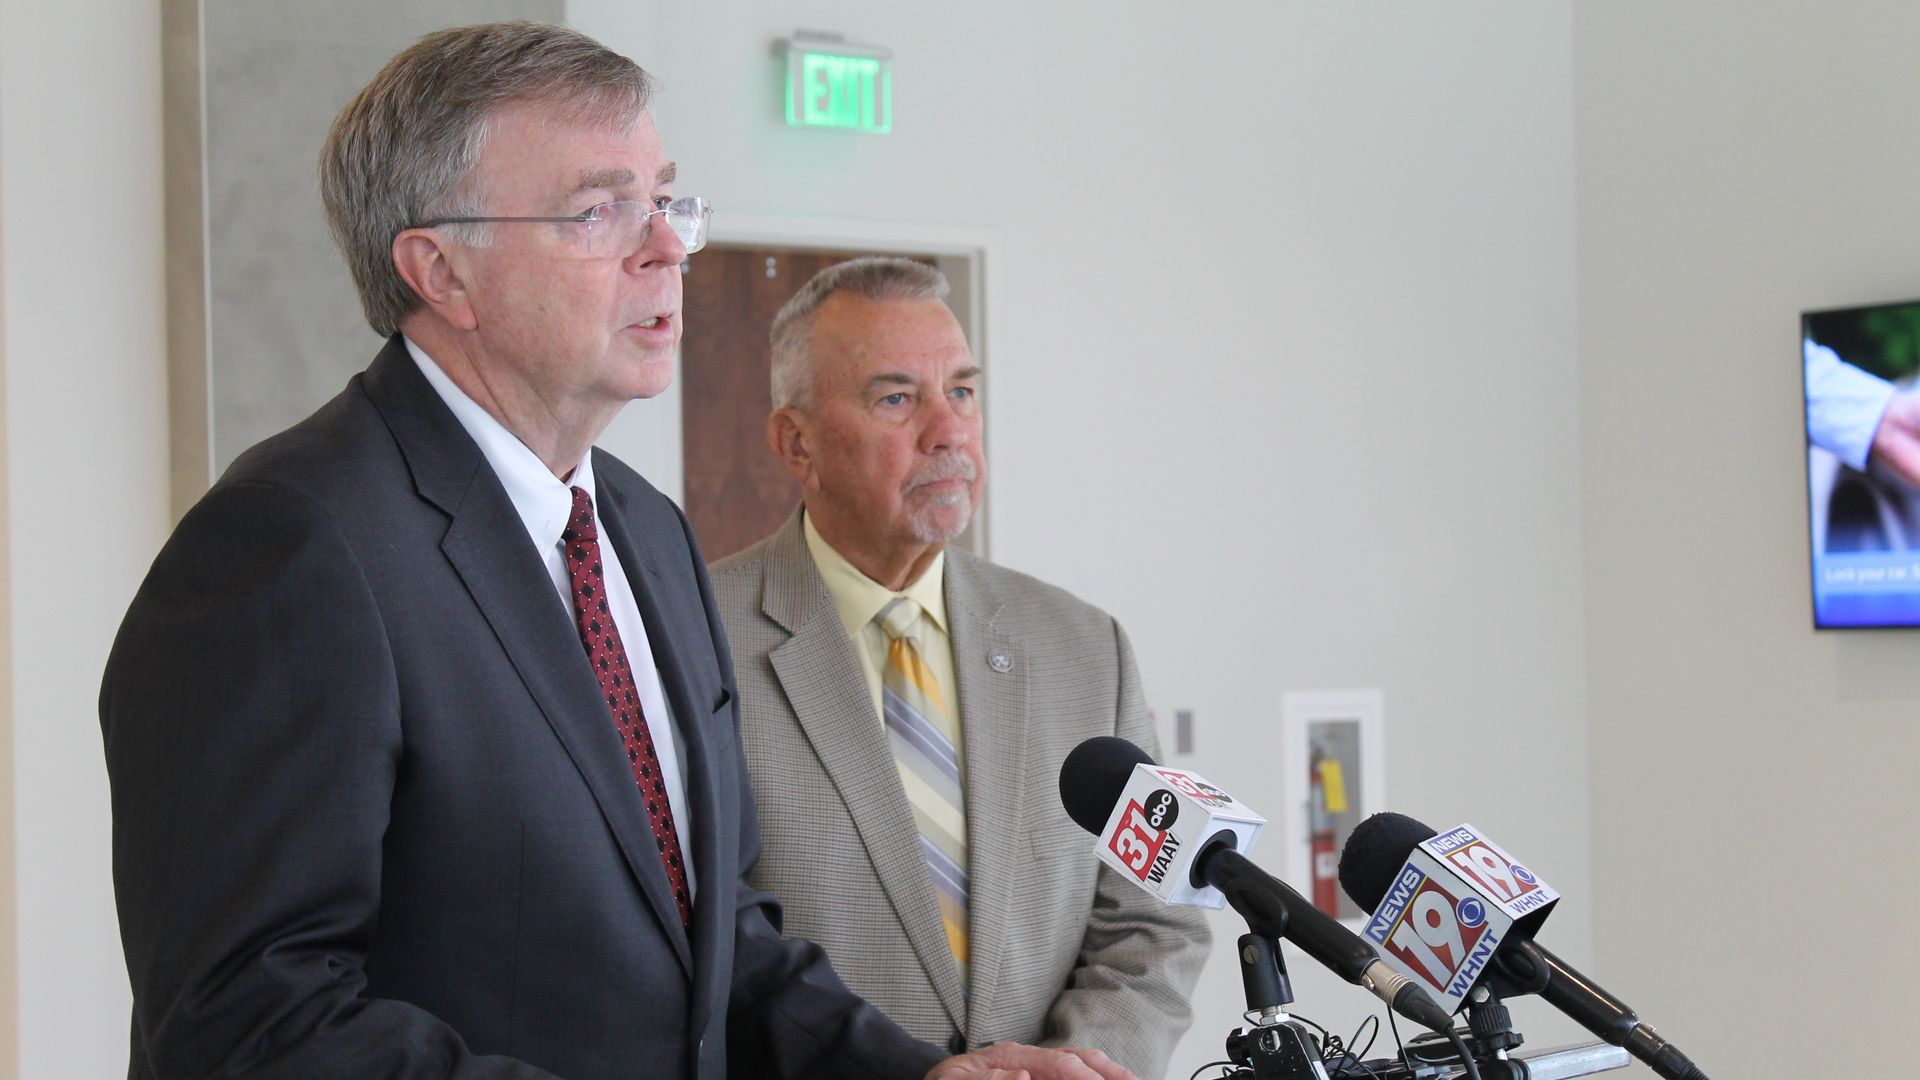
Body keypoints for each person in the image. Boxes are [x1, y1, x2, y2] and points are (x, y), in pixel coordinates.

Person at [99, 23, 1134, 1080]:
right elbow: (249, 1023)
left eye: (664, 200)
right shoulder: (288, 546)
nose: (668, 249)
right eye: (599, 211)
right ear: (441, 270)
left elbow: (718, 935)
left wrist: (918, 1075)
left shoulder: (645, 530)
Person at [709, 257, 1211, 1078]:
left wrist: (1065, 1070)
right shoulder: (694, 638)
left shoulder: (1088, 649)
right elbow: (703, 939)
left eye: (964, 392)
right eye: (896, 399)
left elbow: (1157, 918)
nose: (948, 431)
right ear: (797, 444)